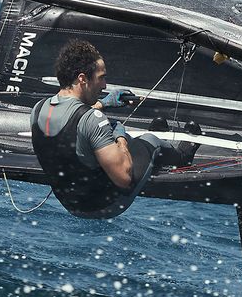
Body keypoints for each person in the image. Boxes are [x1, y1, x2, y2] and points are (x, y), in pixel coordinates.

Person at [30, 39, 200, 218]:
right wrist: (120, 137)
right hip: (105, 204)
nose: (104, 85)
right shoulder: (92, 120)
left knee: (100, 143)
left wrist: (103, 104)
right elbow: (124, 179)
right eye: (101, 77)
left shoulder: (39, 109)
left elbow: (72, 121)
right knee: (149, 141)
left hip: (69, 203)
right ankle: (182, 157)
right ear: (82, 79)